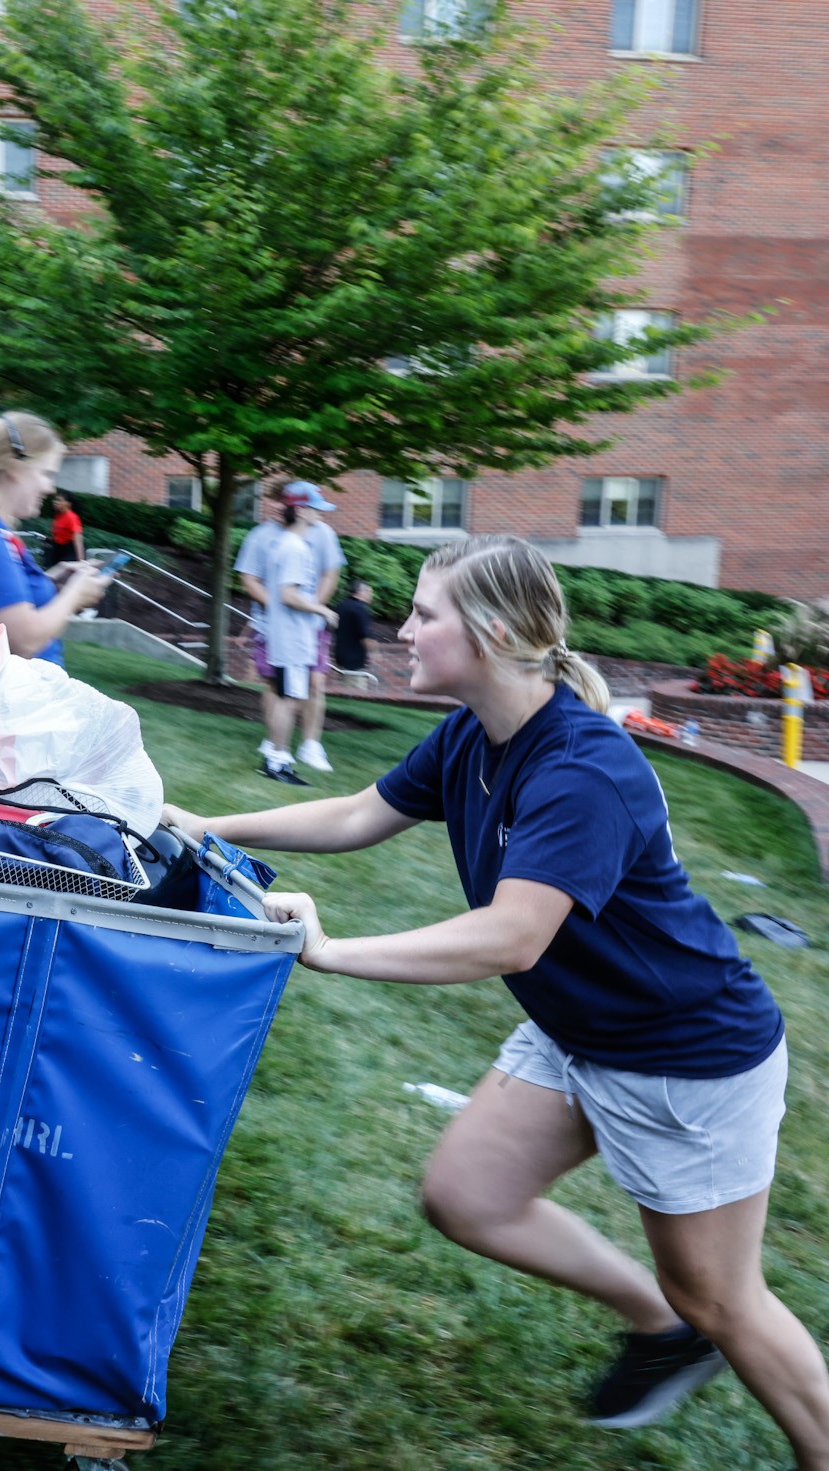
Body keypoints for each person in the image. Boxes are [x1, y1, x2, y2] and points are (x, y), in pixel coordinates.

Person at [163, 534, 829, 1468]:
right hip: (580, 1029)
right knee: (467, 1195)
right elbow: (361, 812)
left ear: (495, 631)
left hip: (686, 1058)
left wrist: (333, 949)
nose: (402, 628)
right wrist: (205, 825)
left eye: (425, 614)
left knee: (723, 1297)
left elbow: (511, 935)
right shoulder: (479, 731)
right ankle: (658, 1328)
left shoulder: (580, 769)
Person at [0, 412, 110, 665]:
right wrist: (74, 595)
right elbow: (23, 641)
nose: (50, 488)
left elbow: (0, 598)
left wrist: (51, 580)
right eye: (47, 474)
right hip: (11, 700)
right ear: (16, 469)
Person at [238, 481, 343, 771]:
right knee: (286, 695)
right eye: (314, 509)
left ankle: (279, 756)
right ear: (300, 511)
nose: (320, 515)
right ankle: (277, 759)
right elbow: (287, 595)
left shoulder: (291, 543)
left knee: (289, 693)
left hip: (292, 633)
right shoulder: (293, 547)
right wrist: (319, 608)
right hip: (290, 635)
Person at [334, 578, 377, 689]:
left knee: (344, 686)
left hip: (341, 655)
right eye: (369, 592)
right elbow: (365, 635)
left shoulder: (341, 605)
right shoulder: (360, 609)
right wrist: (373, 652)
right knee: (357, 692)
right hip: (355, 660)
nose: (371, 595)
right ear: (360, 592)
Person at [45, 489, 86, 569]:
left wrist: (81, 562)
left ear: (69, 504)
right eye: (55, 500)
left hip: (70, 550)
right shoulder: (58, 515)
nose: (55, 502)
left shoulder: (72, 517)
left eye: (59, 500)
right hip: (59, 549)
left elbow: (78, 540)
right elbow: (58, 534)